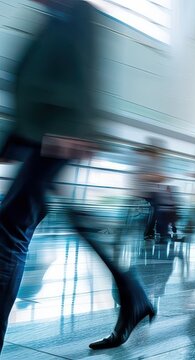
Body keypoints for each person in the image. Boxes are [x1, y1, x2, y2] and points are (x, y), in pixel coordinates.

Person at [0, 0, 154, 351]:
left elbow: (85, 71)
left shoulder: (78, 10)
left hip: (56, 134)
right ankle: (135, 297)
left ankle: (135, 297)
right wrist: (16, 135)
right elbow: (38, 74)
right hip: (40, 132)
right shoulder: (55, 12)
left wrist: (72, 130)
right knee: (51, 218)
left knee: (11, 227)